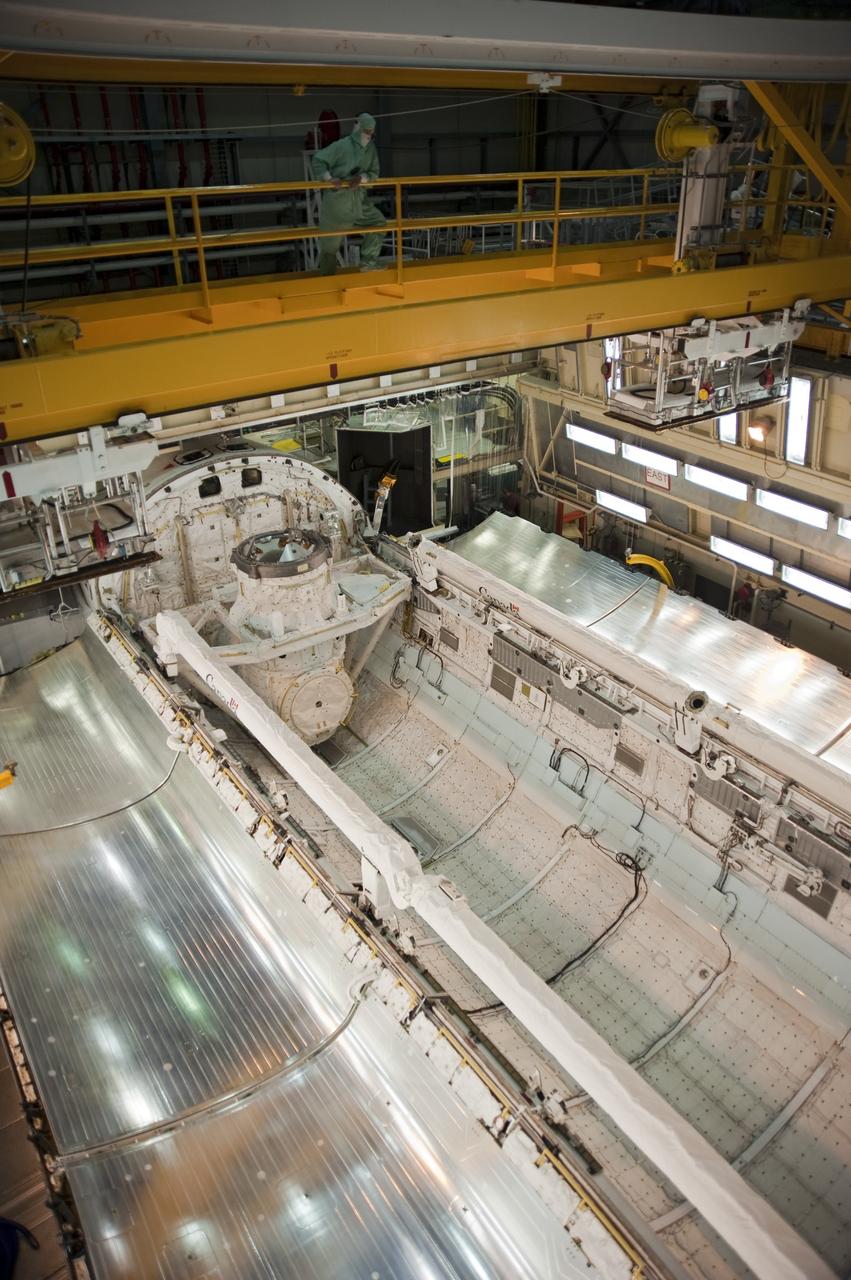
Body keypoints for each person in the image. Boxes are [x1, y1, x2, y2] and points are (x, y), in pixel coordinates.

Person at [310, 112, 386, 275]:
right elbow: (318, 160)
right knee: (329, 246)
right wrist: (329, 178)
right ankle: (327, 277)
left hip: (359, 201)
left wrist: (361, 178)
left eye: (371, 132)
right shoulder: (342, 146)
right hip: (338, 203)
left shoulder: (370, 149)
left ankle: (368, 262)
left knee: (378, 223)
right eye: (366, 131)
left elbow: (374, 172)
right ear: (358, 128)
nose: (369, 135)